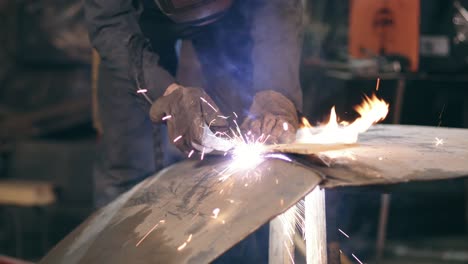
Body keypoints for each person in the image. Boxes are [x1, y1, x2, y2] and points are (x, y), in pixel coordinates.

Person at [85, 0, 304, 208]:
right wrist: (166, 92)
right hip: (138, 21)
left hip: (229, 18)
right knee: (129, 160)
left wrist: (277, 92)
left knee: (250, 141)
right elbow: (109, 22)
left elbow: (277, 7)